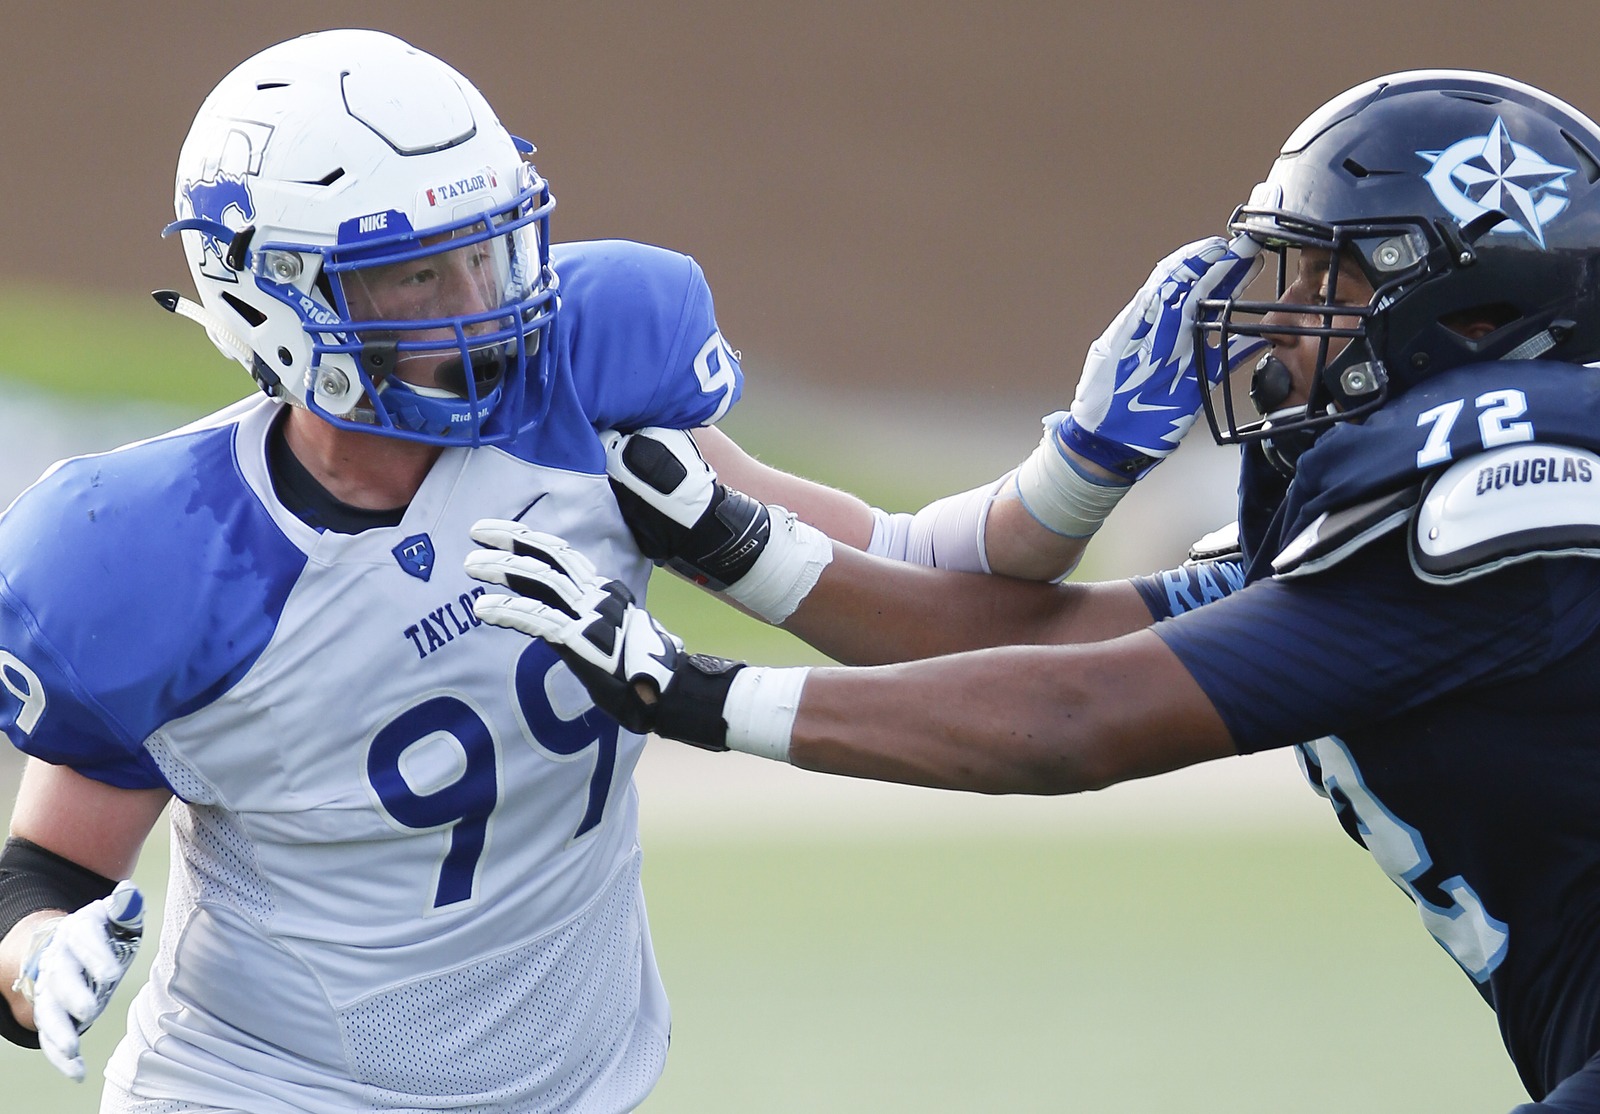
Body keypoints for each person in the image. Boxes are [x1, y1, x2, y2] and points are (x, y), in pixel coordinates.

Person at [464, 70, 1600, 1112]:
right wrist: (735, 544)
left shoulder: (1511, 491)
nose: (1283, 320)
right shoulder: (1423, 492)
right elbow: (1069, 640)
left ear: (1479, 316)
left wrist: (697, 694)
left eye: (1328, 280)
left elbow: (1077, 717)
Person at [0, 25, 982, 1113]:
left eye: (486, 249)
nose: (480, 303)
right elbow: (44, 869)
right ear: (271, 294)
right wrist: (40, 955)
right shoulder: (161, 554)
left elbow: (896, 571)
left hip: (570, 1090)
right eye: (417, 273)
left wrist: (1086, 479)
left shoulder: (588, 395)